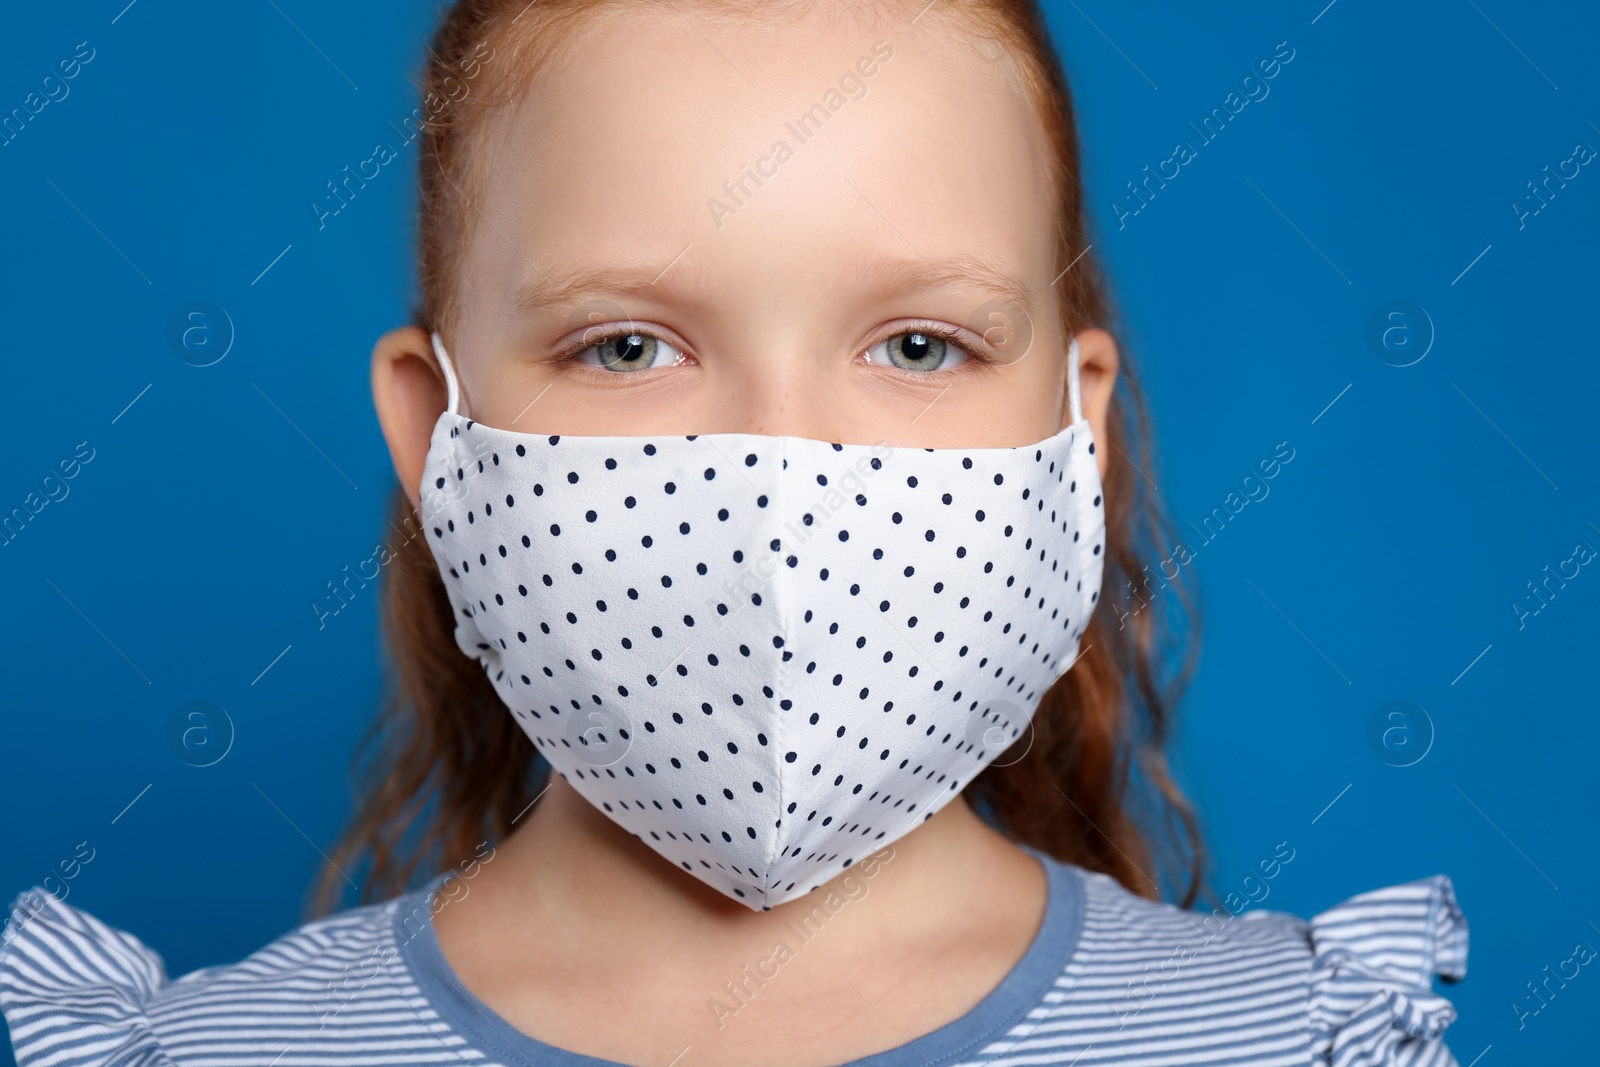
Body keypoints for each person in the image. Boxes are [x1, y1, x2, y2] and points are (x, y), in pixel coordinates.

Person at [0, 1, 1468, 1064]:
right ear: (433, 431)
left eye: (919, 345)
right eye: (629, 347)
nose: (784, 483)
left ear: (1073, 434)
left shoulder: (1291, 1041)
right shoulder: (213, 1057)